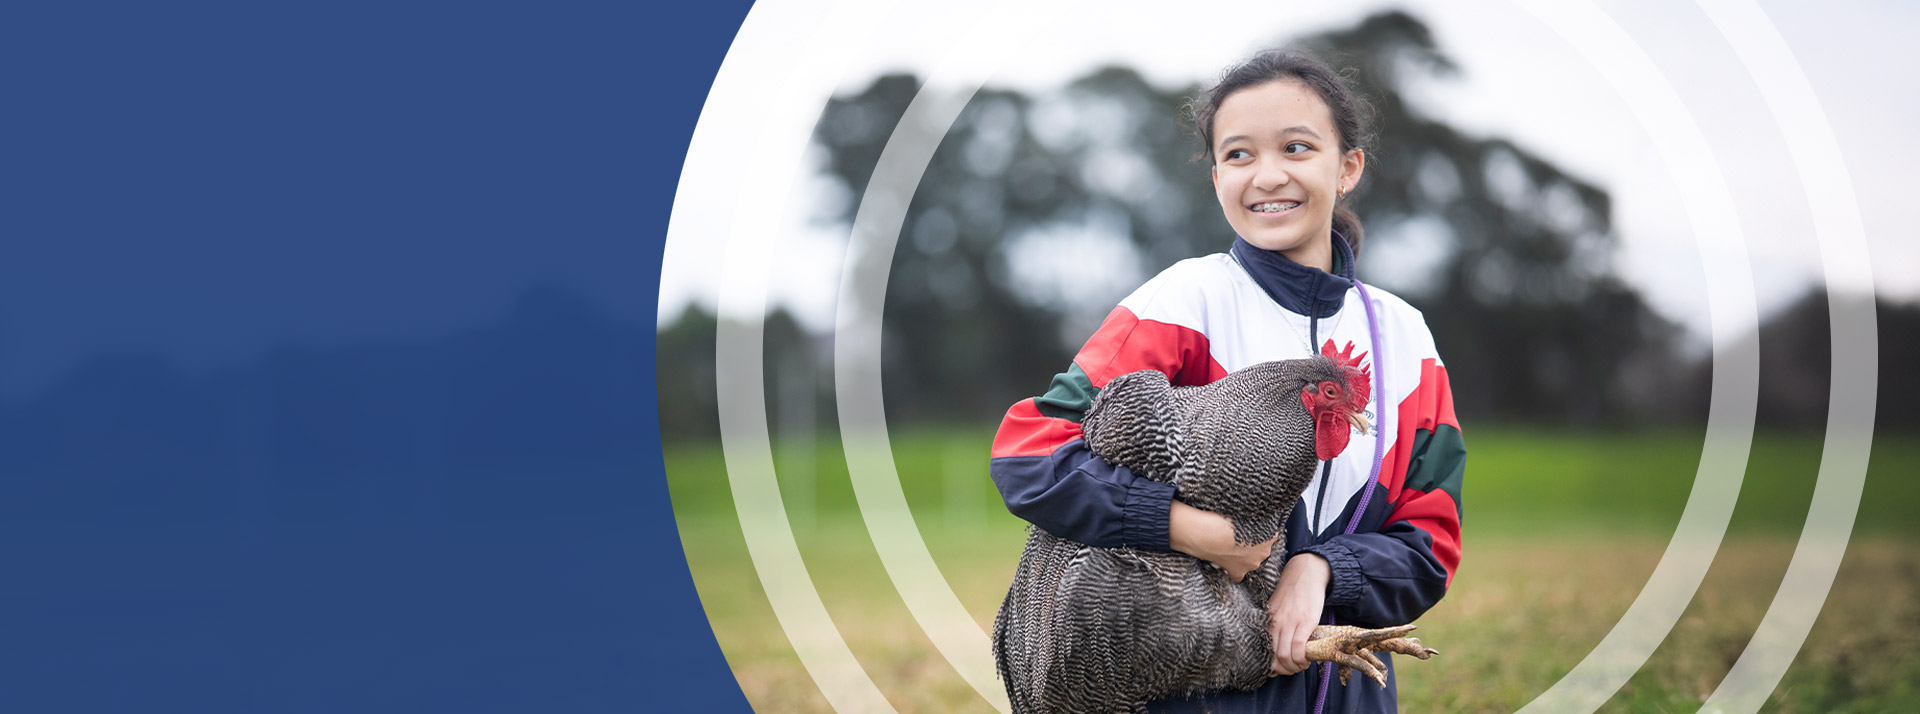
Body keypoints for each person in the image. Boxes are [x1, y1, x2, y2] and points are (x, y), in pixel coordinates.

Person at [988, 50, 1464, 714]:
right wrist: (1189, 529)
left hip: (1348, 694)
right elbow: (1029, 453)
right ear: (1216, 177)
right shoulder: (1181, 303)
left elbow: (1432, 540)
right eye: (1239, 155)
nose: (1268, 175)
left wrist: (1323, 569)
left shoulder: (1406, 338)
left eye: (1296, 147)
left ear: (1348, 166)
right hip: (1191, 692)